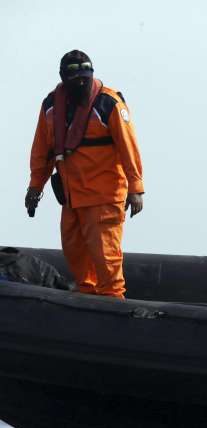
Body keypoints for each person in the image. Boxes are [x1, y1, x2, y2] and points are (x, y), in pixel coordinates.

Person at [25, 50, 144, 299]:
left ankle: (113, 308)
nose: (81, 83)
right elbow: (42, 150)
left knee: (106, 261)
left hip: (102, 199)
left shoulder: (108, 104)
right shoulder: (50, 106)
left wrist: (136, 188)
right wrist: (35, 187)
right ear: (63, 79)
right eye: (75, 79)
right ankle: (87, 304)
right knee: (75, 256)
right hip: (71, 199)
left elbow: (128, 147)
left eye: (84, 78)